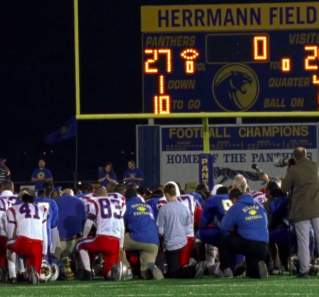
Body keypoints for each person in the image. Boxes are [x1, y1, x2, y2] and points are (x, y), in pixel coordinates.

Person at [281, 147, 319, 277]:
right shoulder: (315, 166)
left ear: (295, 157)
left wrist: (288, 171)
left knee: (303, 242)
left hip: (300, 210)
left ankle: (304, 270)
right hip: (316, 208)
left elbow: (284, 188)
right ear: (306, 155)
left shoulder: (293, 170)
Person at [219, 185, 269, 278]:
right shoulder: (259, 205)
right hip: (263, 246)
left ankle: (227, 270)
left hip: (248, 244)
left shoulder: (236, 207)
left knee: (223, 240)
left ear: (234, 199)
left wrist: (234, 230)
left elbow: (224, 227)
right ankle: (258, 267)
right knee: (252, 272)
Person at [157, 183, 205, 279]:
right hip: (184, 242)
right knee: (177, 268)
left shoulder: (163, 209)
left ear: (166, 194)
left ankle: (194, 269)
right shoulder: (184, 208)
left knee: (173, 273)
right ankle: (195, 268)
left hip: (171, 245)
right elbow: (188, 228)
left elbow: (161, 231)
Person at [76, 190, 126, 281]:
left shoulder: (95, 201)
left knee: (80, 244)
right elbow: (122, 227)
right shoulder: (118, 203)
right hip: (116, 242)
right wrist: (121, 246)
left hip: (102, 239)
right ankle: (110, 272)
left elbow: (88, 223)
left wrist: (84, 236)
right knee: (107, 274)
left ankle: (87, 272)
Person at [6, 190, 48, 285]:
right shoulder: (42, 210)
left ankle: (13, 275)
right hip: (38, 245)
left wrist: (12, 240)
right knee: (32, 255)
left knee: (9, 245)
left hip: (23, 242)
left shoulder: (13, 209)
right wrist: (44, 251)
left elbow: (10, 232)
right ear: (33, 201)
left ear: (22, 200)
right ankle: (33, 272)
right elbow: (44, 233)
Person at [124, 185, 163, 280]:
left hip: (137, 238)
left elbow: (121, 226)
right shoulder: (148, 206)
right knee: (145, 274)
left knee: (117, 243)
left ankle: (126, 269)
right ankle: (151, 267)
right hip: (154, 242)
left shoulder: (126, 206)